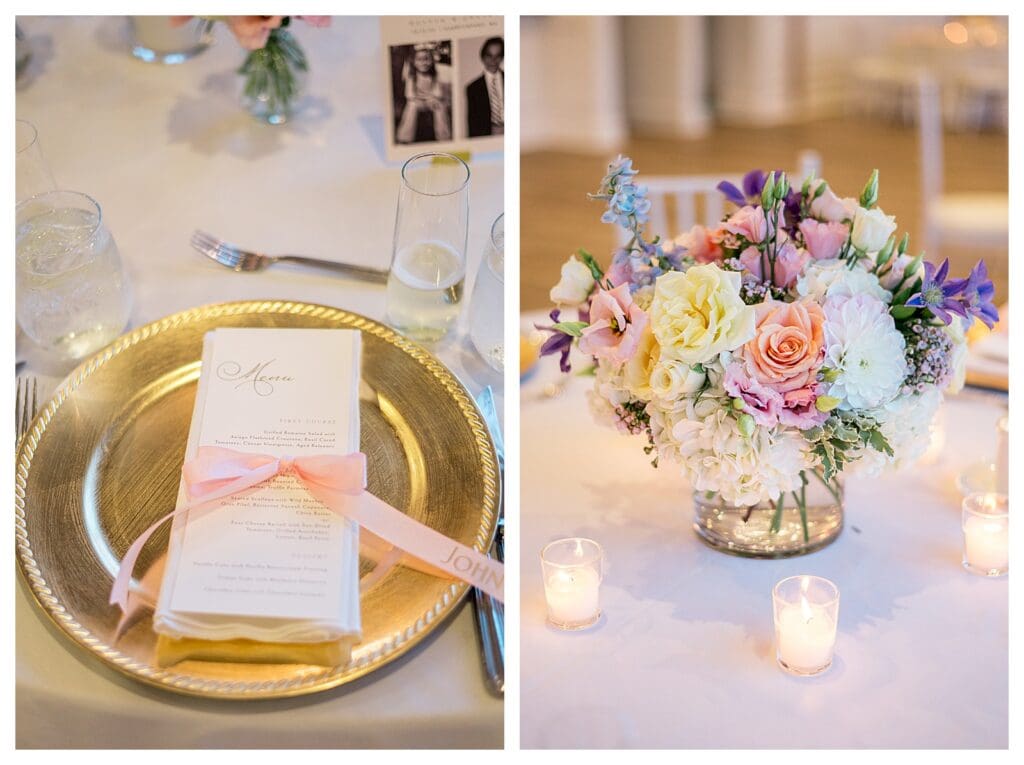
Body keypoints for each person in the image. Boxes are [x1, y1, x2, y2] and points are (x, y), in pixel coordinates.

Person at [395, 44, 452, 144]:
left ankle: (444, 137)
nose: (423, 63)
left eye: (426, 59)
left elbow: (438, 93)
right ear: (414, 62)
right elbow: (409, 94)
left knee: (439, 107)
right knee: (411, 106)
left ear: (432, 61)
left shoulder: (434, 75)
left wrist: (432, 99)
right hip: (417, 102)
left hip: (431, 101)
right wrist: (418, 100)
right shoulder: (412, 76)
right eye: (420, 60)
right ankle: (405, 137)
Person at [466, 37, 504, 137]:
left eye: (498, 56)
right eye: (489, 55)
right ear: (482, 57)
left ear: (502, 57)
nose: (493, 60)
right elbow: (472, 124)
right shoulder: (473, 88)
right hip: (486, 134)